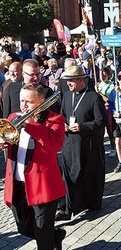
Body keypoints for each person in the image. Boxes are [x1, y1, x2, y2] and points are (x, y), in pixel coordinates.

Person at [2, 83, 67, 249]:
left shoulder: (54, 119)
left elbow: (55, 145)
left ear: (41, 101)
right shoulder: (12, 117)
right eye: (21, 101)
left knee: (42, 236)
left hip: (43, 185)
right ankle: (56, 235)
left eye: (28, 102)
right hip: (18, 183)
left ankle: (49, 238)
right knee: (23, 227)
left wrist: (30, 124)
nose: (23, 105)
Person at [56, 66, 106, 221]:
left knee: (87, 175)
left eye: (71, 80)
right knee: (68, 176)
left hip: (87, 144)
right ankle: (67, 208)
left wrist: (82, 127)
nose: (69, 84)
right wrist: (63, 124)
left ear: (80, 79)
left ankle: (89, 203)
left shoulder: (93, 97)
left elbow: (100, 121)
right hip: (69, 144)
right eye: (67, 81)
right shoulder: (67, 96)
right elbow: (62, 115)